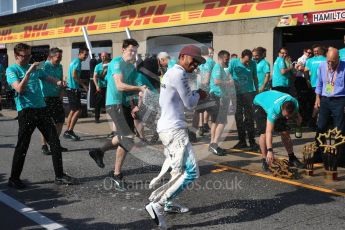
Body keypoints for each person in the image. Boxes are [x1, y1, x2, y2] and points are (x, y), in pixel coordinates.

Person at [145, 45, 207, 228]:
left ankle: (168, 204)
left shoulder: (172, 72)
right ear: (182, 56)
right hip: (174, 130)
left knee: (178, 171)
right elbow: (189, 103)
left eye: (197, 62)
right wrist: (200, 94)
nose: (195, 65)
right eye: (193, 60)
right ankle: (158, 203)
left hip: (167, 128)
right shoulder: (179, 74)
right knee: (192, 173)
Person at [6, 43, 75, 189]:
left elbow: (47, 77)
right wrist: (29, 72)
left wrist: (58, 82)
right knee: (22, 146)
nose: (29, 58)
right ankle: (14, 178)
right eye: (25, 56)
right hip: (26, 111)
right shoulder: (12, 69)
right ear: (17, 56)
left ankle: (59, 176)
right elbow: (19, 88)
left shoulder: (35, 67)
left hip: (41, 109)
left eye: (30, 55)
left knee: (55, 142)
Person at [88, 39, 146, 191]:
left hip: (125, 104)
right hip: (114, 103)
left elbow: (130, 90)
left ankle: (98, 151)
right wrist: (139, 88)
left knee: (123, 137)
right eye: (130, 50)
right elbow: (120, 86)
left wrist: (134, 105)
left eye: (135, 51)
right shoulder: (116, 63)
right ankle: (117, 175)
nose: (133, 53)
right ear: (123, 50)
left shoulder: (131, 66)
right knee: (126, 139)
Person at [253, 90, 304, 171]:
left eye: (289, 116)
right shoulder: (273, 110)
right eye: (286, 116)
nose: (287, 118)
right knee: (264, 133)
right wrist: (270, 150)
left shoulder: (295, 103)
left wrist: (298, 117)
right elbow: (269, 131)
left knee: (284, 131)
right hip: (260, 102)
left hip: (273, 99)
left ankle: (292, 158)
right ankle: (265, 160)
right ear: (282, 109)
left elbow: (297, 114)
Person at [314, 47, 345, 164]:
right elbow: (320, 83)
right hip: (325, 99)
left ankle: (340, 157)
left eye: (333, 61)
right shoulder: (322, 66)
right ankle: (318, 154)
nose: (330, 63)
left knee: (340, 129)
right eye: (328, 61)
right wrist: (317, 98)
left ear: (338, 59)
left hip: (340, 99)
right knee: (321, 126)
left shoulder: (344, 66)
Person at [229, 49, 259, 151]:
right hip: (236, 94)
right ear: (241, 57)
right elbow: (227, 74)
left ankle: (252, 141)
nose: (248, 63)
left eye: (249, 61)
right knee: (238, 117)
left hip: (249, 93)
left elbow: (255, 77)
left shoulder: (253, 63)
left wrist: (257, 91)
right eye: (246, 61)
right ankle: (242, 141)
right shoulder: (233, 62)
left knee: (249, 118)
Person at [39, 48, 68, 155]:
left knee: (60, 121)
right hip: (45, 97)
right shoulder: (43, 65)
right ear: (51, 57)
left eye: (61, 57)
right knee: (46, 123)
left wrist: (62, 92)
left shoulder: (60, 66)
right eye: (58, 57)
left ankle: (55, 143)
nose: (60, 59)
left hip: (56, 97)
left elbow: (60, 79)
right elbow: (41, 77)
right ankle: (44, 145)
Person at [207, 50, 230, 156]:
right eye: (226, 58)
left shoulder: (220, 68)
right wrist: (228, 82)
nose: (228, 60)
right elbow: (216, 81)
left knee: (215, 122)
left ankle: (212, 144)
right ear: (221, 58)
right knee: (222, 122)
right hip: (217, 96)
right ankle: (214, 144)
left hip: (218, 96)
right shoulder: (217, 67)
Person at [63, 47, 89, 141]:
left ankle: (67, 131)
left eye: (87, 54)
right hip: (73, 89)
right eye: (85, 54)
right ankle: (70, 131)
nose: (86, 56)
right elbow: (74, 75)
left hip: (70, 89)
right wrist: (83, 85)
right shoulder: (77, 62)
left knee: (73, 110)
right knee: (78, 110)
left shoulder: (74, 61)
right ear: (80, 54)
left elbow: (73, 75)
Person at [196, 46, 215, 136]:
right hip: (208, 88)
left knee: (201, 108)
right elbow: (207, 78)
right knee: (210, 110)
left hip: (200, 87)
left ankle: (201, 126)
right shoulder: (211, 62)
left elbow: (197, 73)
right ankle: (208, 127)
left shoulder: (200, 62)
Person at [93, 52, 110, 123]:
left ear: (107, 57)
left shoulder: (110, 65)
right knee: (98, 103)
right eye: (102, 56)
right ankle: (97, 117)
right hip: (100, 87)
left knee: (109, 103)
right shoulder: (98, 66)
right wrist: (97, 86)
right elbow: (94, 77)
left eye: (105, 56)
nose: (103, 57)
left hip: (109, 87)